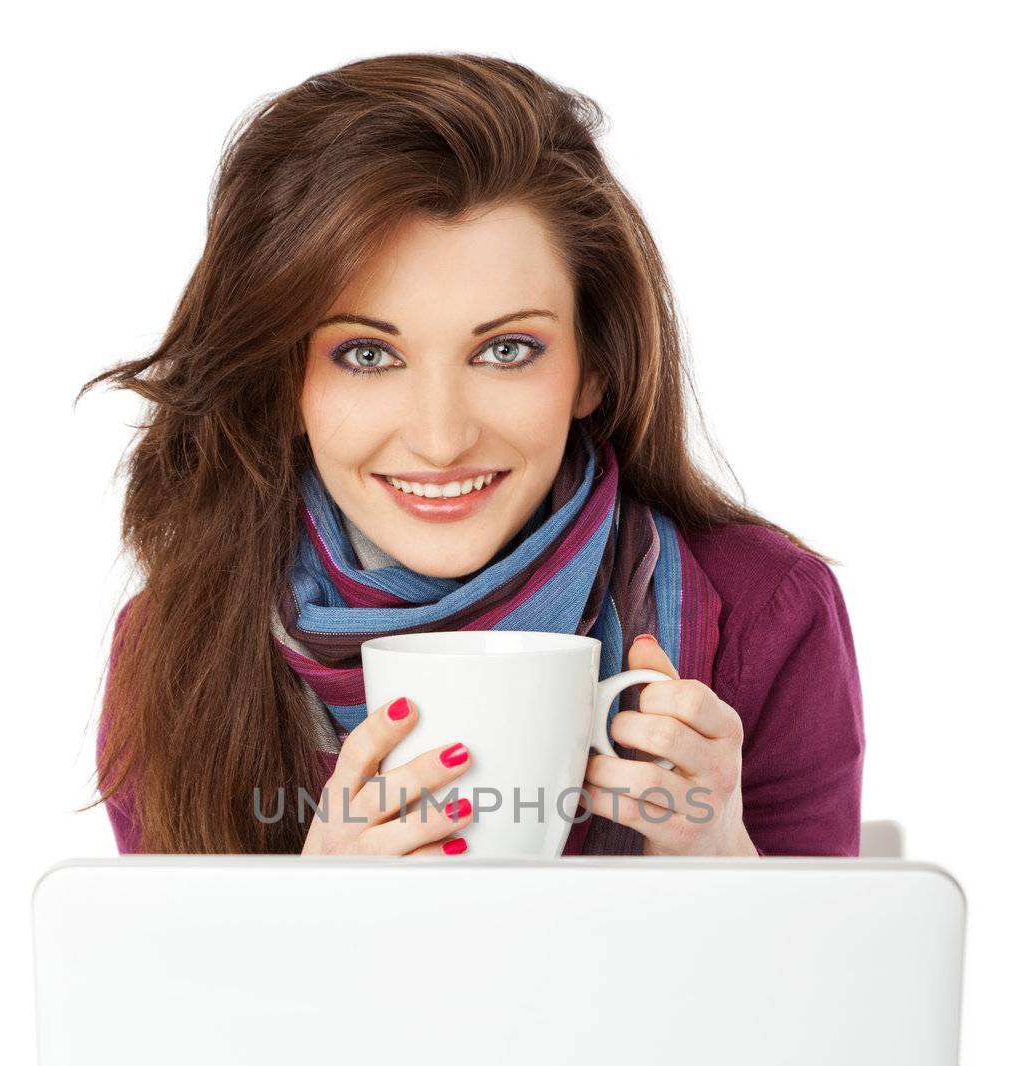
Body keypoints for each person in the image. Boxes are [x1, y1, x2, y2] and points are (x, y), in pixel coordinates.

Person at [83, 52, 864, 859]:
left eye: (505, 350)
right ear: (284, 381)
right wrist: (312, 915)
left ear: (594, 363)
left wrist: (721, 863)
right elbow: (162, 985)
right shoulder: (177, 647)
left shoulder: (765, 608)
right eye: (366, 354)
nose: (440, 437)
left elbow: (840, 983)